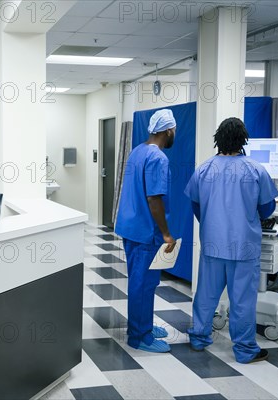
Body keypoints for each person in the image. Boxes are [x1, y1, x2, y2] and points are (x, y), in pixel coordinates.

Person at [184, 117, 278, 363]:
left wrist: (212, 221)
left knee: (205, 295)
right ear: (243, 140)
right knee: (243, 300)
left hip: (213, 244)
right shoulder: (255, 169)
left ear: (218, 139)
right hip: (244, 247)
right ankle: (245, 350)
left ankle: (199, 338)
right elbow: (267, 209)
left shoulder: (204, 169)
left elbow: (196, 204)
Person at [115, 109, 177, 353]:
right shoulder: (158, 158)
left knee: (142, 282)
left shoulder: (137, 151)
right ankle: (140, 336)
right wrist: (165, 233)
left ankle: (144, 324)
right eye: (174, 131)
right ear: (168, 130)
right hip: (145, 231)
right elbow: (154, 199)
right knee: (143, 284)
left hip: (130, 227)